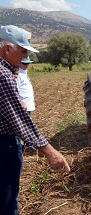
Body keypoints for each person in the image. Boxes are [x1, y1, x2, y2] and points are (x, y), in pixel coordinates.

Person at [0, 25, 70, 214]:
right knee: (7, 202)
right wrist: (50, 152)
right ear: (7, 49)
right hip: (4, 145)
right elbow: (18, 119)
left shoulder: (8, 72)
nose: (25, 57)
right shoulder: (3, 74)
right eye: (23, 51)